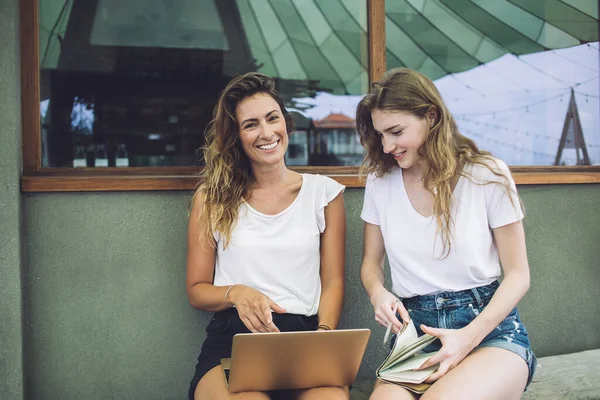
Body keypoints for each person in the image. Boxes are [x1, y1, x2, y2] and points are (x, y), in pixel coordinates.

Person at [356, 68, 536, 400]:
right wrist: (378, 294)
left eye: (396, 131)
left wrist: (466, 338)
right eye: (381, 134)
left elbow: (518, 275)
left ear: (431, 116)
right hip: (416, 336)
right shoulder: (380, 182)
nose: (387, 145)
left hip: (487, 331)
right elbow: (370, 262)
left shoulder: (487, 175)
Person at [186, 72, 347, 400]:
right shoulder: (212, 198)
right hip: (233, 339)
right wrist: (237, 293)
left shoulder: (324, 193)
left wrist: (324, 336)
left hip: (305, 336)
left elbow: (332, 282)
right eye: (251, 125)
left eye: (273, 119)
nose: (266, 132)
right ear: (237, 136)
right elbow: (196, 290)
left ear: (286, 125)